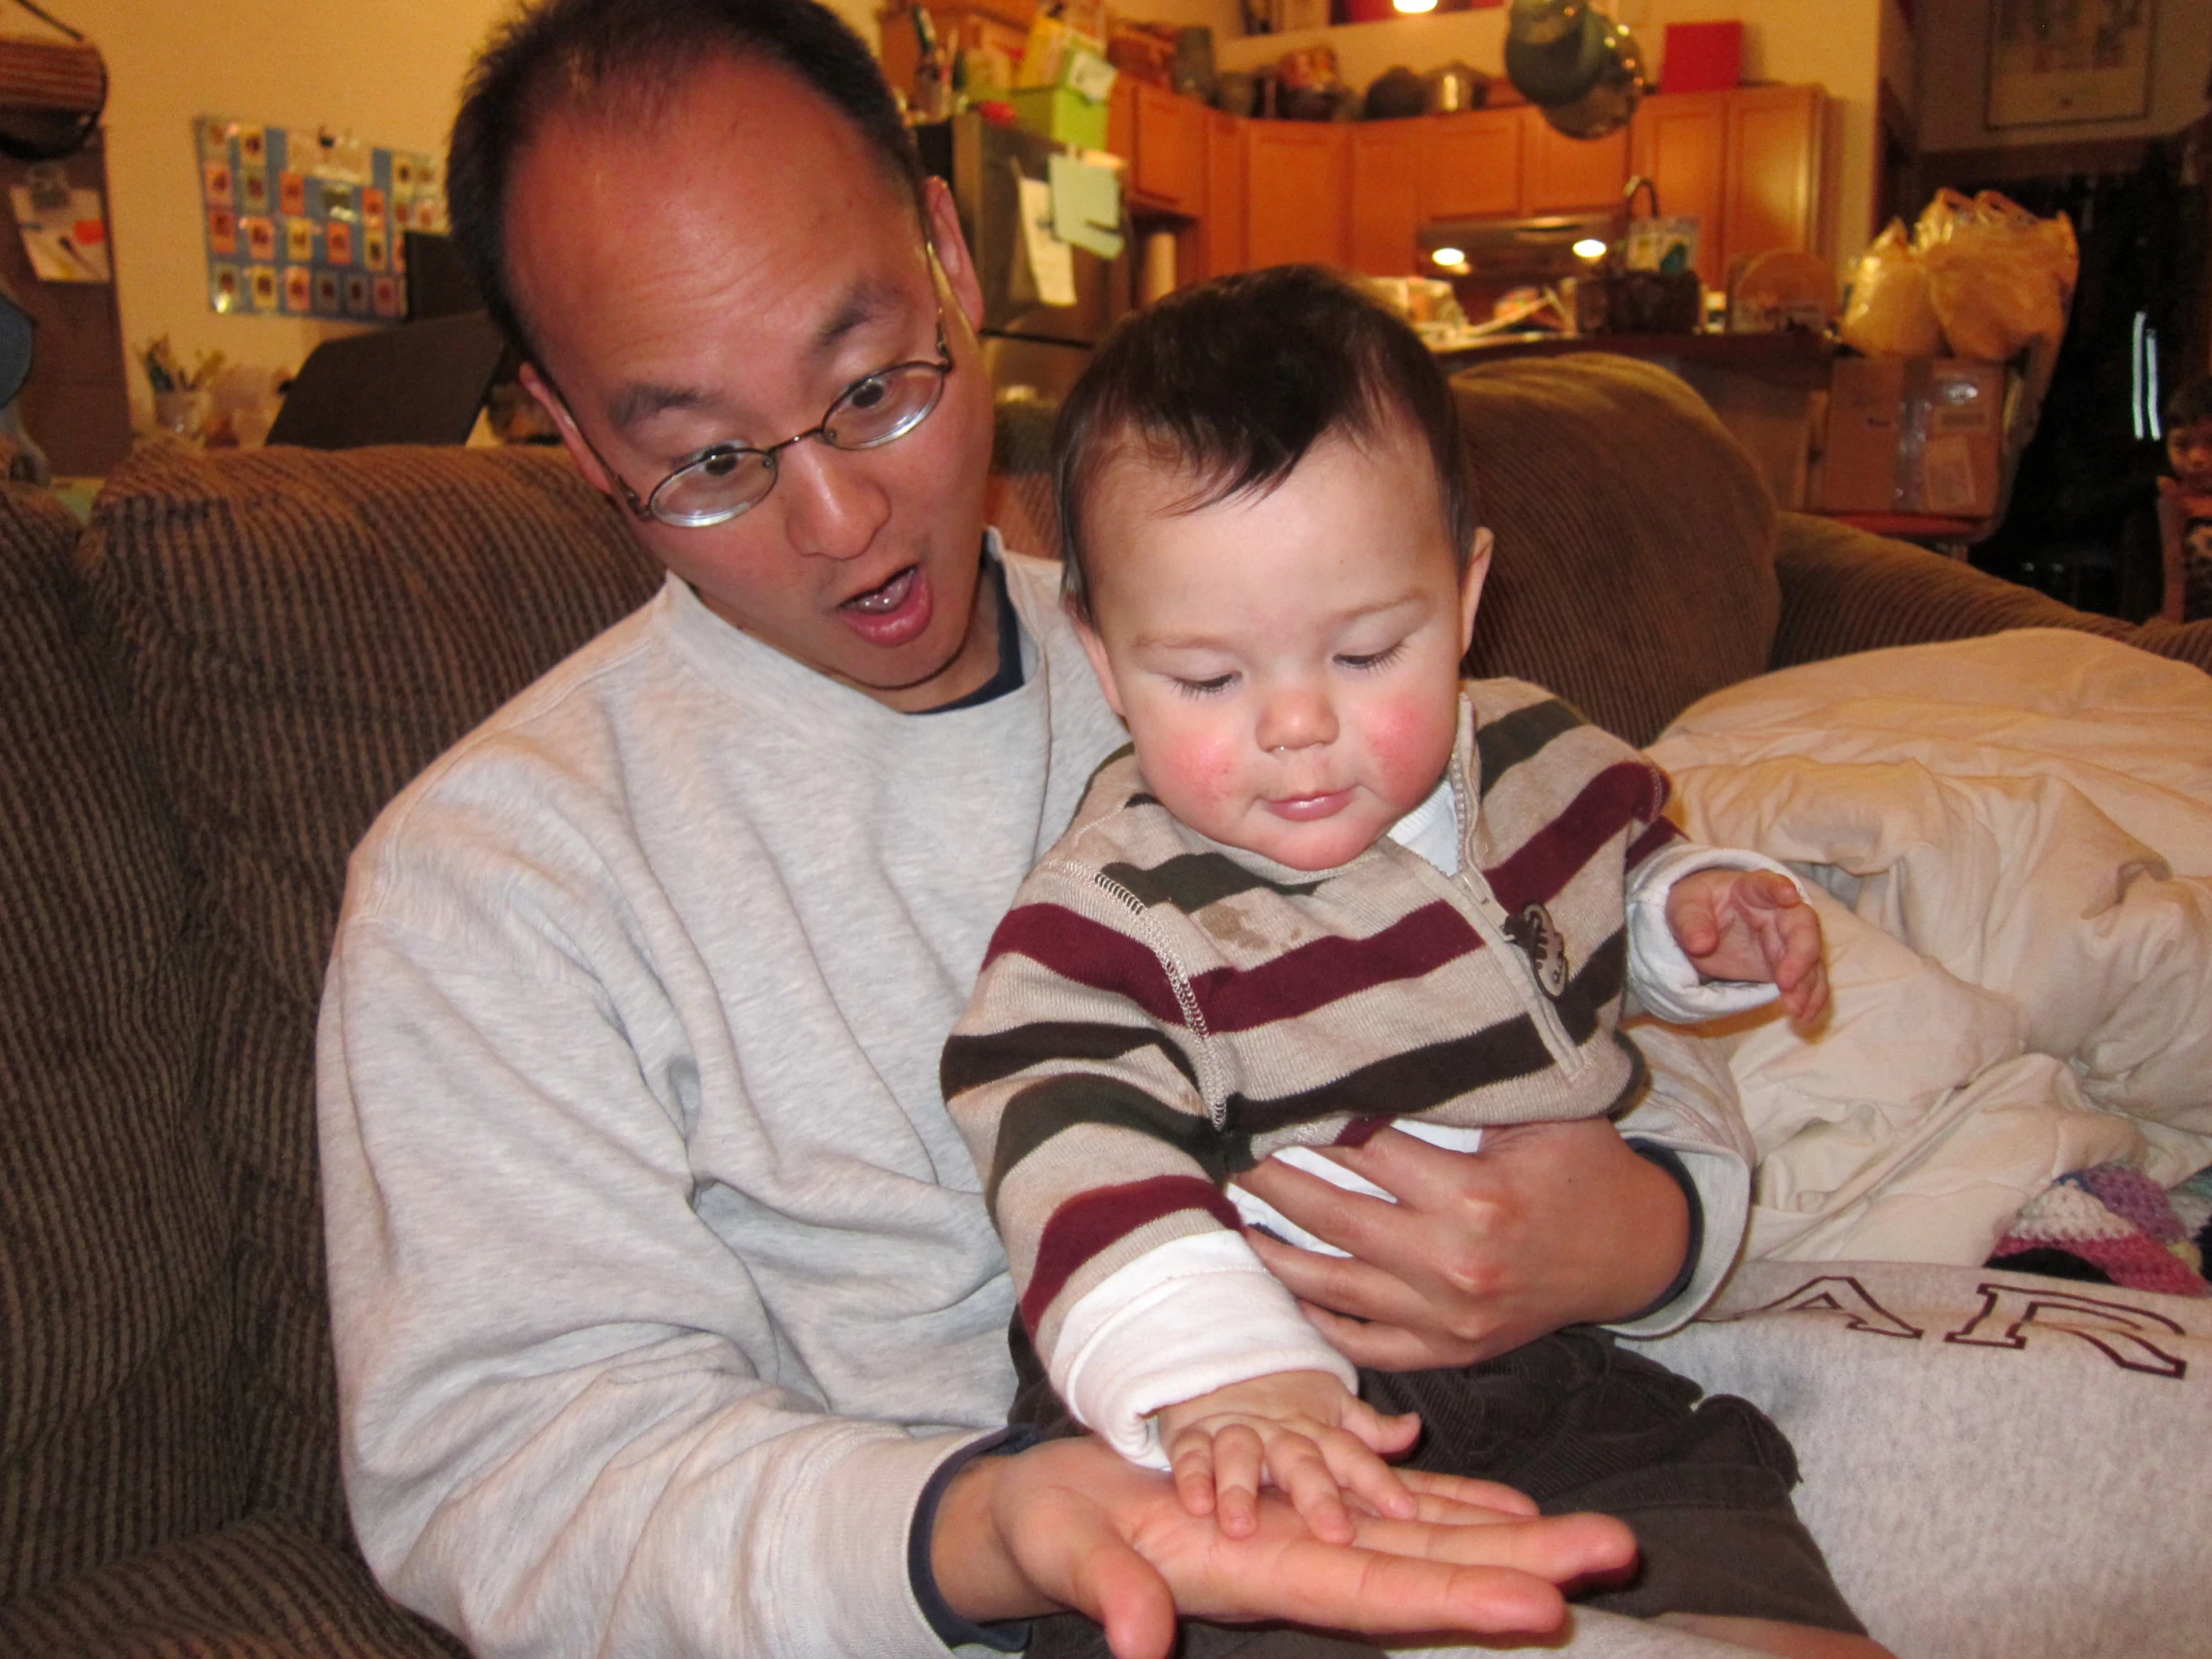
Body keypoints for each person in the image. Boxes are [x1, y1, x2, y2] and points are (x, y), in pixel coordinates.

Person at [316, 2, 1790, 1656]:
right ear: (573, 435)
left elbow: (1593, 942)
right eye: (711, 460)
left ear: (947, 250)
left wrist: (1638, 1223)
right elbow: (508, 1480)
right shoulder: (498, 886)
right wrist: (1000, 1525)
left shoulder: (1248, 645)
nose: (841, 515)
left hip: (1561, 1417)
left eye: (872, 384)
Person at [944, 268, 1875, 1659]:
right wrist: (1226, 1379)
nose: (1301, 725)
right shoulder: (1120, 906)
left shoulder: (1537, 758)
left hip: (1557, 1367)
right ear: (1105, 657)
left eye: (1372, 648)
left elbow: (1601, 908)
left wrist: (1693, 922)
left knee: (1745, 1559)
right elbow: (1058, 1120)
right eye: (1208, 679)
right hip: (1238, 1401)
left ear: (1468, 592)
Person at [2157, 378, 2212, 623]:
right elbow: (2175, 578)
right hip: (2198, 628)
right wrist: (2172, 639)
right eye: (2182, 444)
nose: (2197, 458)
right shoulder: (2175, 503)